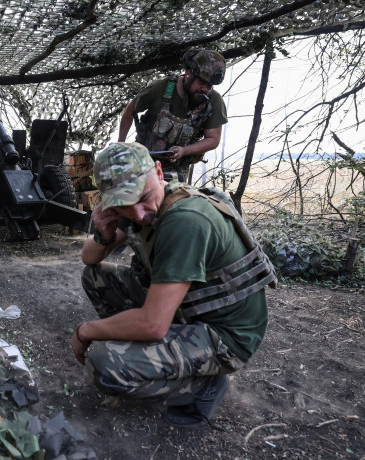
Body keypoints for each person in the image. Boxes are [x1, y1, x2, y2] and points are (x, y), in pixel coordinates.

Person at [71, 142, 275, 428]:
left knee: (104, 365)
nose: (139, 214)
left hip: (225, 335)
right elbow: (88, 258)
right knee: (96, 277)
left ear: (158, 171)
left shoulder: (185, 220)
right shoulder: (148, 203)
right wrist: (105, 234)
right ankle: (158, 356)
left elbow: (153, 325)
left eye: (142, 198)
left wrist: (86, 331)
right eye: (125, 206)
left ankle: (204, 387)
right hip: (190, 312)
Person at [117, 49, 228, 182]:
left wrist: (184, 150)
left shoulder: (213, 101)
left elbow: (213, 139)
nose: (205, 88)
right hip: (144, 162)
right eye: (202, 82)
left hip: (177, 170)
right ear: (188, 74)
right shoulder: (161, 88)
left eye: (209, 85)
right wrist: (120, 145)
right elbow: (130, 110)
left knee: (174, 200)